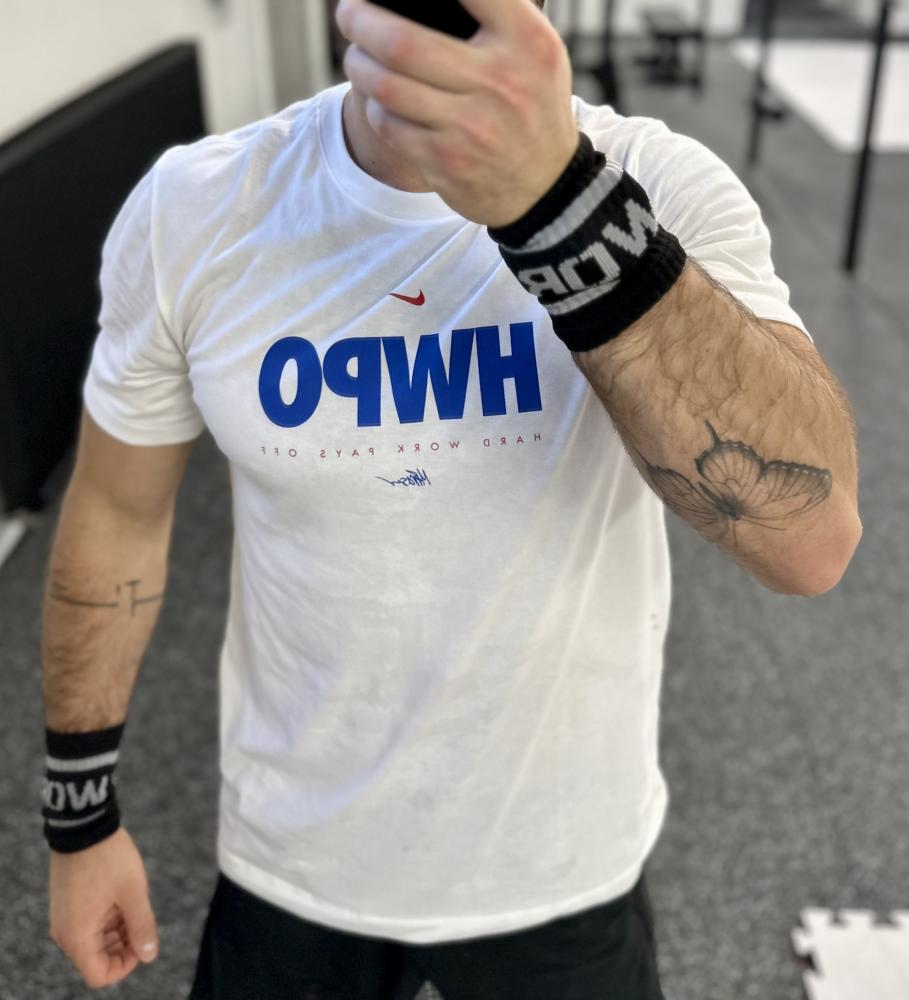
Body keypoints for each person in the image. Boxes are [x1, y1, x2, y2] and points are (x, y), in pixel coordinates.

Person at [41, 0, 862, 996]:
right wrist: (79, 816)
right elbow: (116, 513)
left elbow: (809, 542)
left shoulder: (660, 183)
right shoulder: (198, 206)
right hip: (297, 853)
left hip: (560, 862)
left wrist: (556, 203)